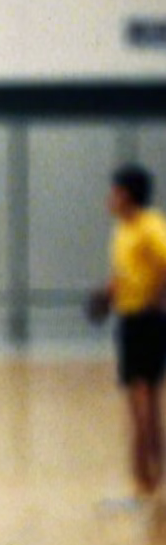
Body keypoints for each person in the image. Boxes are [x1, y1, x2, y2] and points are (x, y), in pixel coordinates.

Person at [91, 165, 166, 498]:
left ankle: (150, 476)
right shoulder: (123, 230)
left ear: (129, 194)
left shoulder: (150, 227)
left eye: (116, 191)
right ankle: (145, 477)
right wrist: (108, 295)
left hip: (145, 321)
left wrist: (156, 299)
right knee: (140, 401)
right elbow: (125, 274)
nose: (111, 197)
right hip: (128, 319)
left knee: (143, 400)